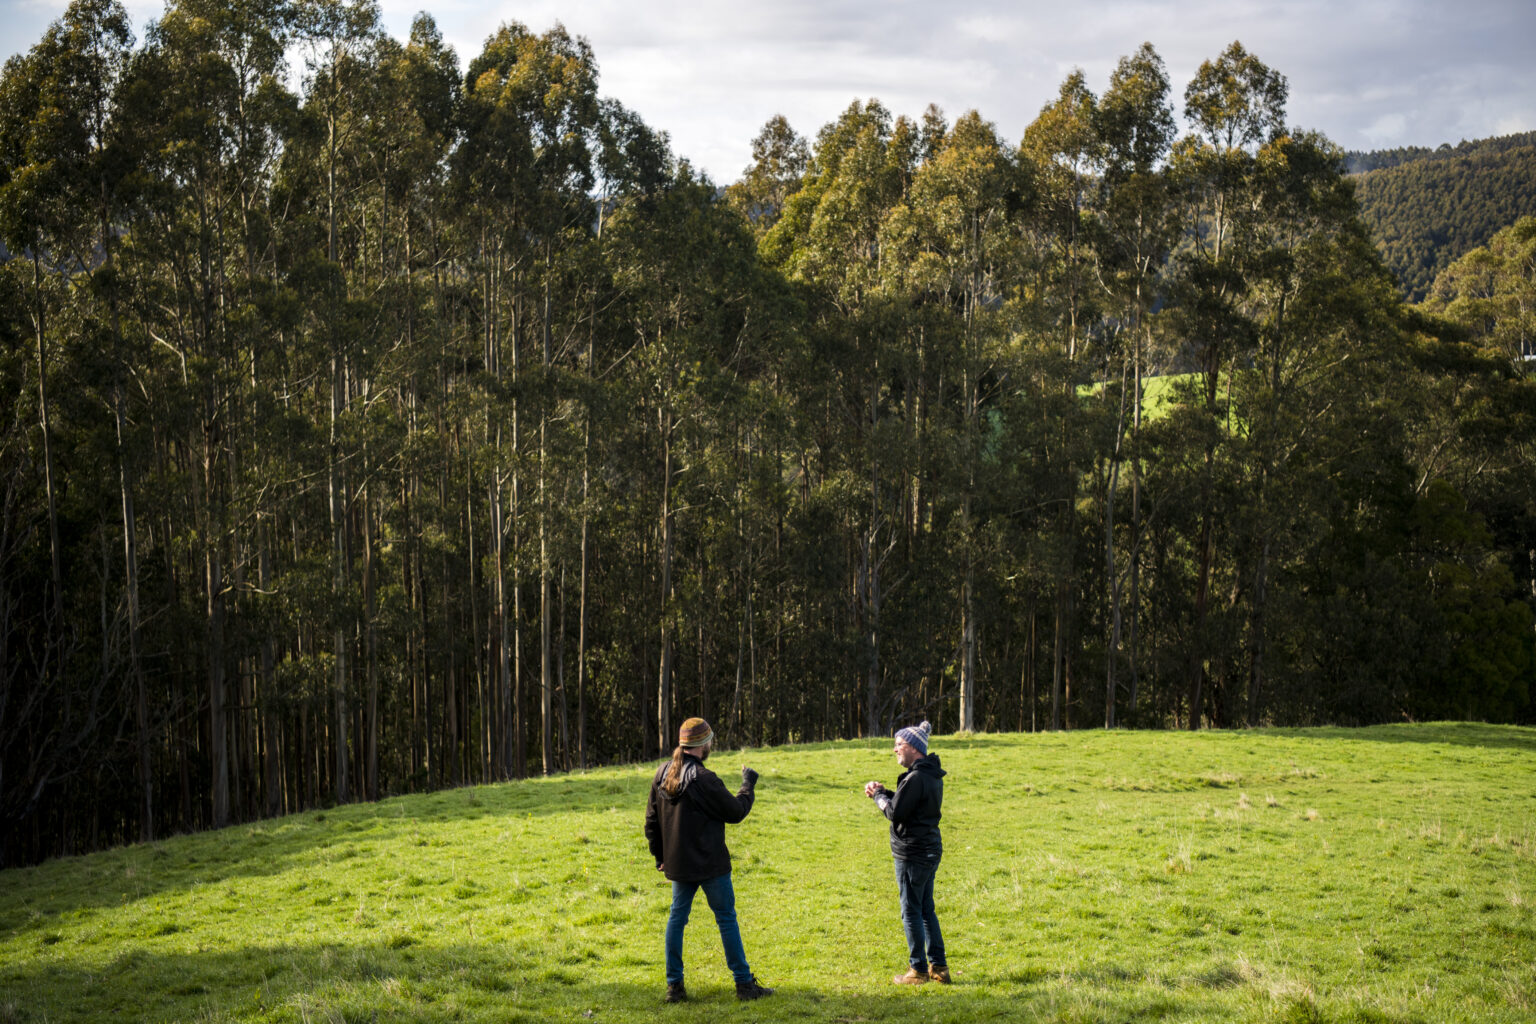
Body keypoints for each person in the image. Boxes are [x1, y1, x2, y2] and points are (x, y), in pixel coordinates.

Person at [644, 717, 774, 1003]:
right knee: (726, 919)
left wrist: (660, 857)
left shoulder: (662, 773)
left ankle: (674, 987)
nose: (711, 745)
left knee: (676, 919)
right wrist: (748, 784)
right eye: (710, 740)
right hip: (711, 865)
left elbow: (651, 821)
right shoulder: (704, 779)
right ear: (702, 744)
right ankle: (744, 984)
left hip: (678, 865)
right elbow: (736, 811)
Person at [863, 720, 950, 985]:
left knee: (910, 910)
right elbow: (906, 803)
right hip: (929, 850)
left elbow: (895, 812)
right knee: (926, 909)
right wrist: (885, 792)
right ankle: (940, 967)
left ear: (913, 747)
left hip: (912, 854)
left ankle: (918, 971)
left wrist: (879, 796)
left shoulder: (916, 777)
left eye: (898, 744)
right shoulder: (928, 774)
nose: (895, 750)